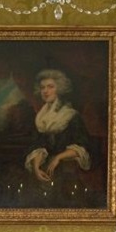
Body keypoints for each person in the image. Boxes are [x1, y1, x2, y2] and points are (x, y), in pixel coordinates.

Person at [23, 69, 99, 208]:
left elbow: (83, 146)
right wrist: (35, 166)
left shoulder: (71, 116)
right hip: (45, 172)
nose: (45, 91)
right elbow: (38, 145)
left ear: (60, 89)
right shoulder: (40, 118)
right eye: (42, 87)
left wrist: (58, 157)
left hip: (69, 173)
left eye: (50, 87)